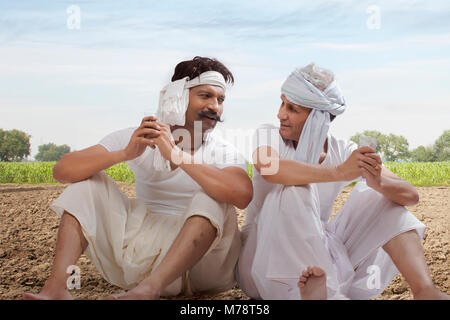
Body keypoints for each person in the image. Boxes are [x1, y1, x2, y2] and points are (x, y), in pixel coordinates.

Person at [22, 56, 253, 300]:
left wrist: (177, 155)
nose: (215, 107)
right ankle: (57, 288)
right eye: (205, 96)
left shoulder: (223, 151)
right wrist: (124, 154)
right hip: (142, 257)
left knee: (212, 195)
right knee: (88, 184)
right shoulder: (138, 137)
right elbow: (63, 170)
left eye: (221, 99)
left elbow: (241, 194)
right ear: (177, 96)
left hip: (203, 267)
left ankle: (149, 290)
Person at [236, 63, 449, 300]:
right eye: (282, 103)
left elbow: (411, 195)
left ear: (318, 117)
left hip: (318, 255)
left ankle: (425, 291)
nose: (280, 114)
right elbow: (270, 169)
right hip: (260, 261)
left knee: (378, 195)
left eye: (292, 108)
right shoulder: (268, 135)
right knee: (296, 190)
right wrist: (339, 172)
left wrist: (377, 181)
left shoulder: (343, 149)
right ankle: (318, 294)